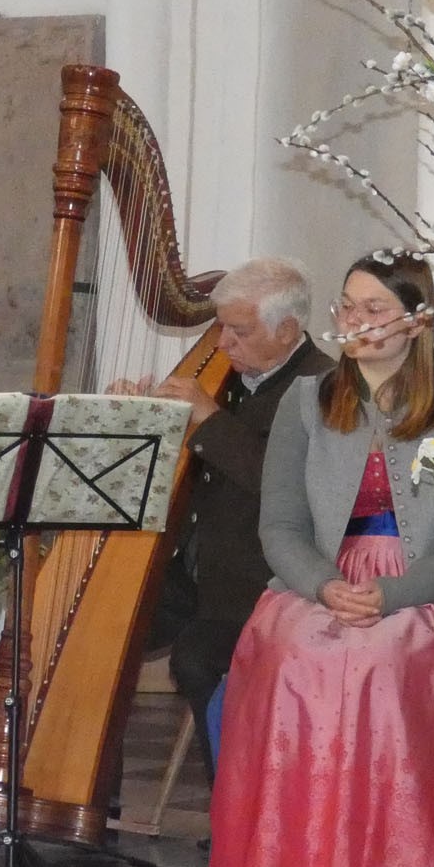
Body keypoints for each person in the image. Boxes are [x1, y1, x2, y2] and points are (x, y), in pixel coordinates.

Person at [192, 253, 434, 867]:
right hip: (323, 577)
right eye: (349, 307)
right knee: (289, 651)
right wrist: (321, 584)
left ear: (417, 319)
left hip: (430, 588)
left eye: (375, 309)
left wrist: (394, 592)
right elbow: (279, 523)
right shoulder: (306, 402)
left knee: (388, 658)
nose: (358, 322)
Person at [143, 257, 334, 785]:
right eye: (222, 326)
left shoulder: (322, 388)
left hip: (259, 584)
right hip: (198, 569)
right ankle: (83, 800)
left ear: (288, 330)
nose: (224, 342)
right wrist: (137, 413)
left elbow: (288, 485)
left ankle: (238, 809)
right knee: (97, 636)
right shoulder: (228, 375)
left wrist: (210, 421)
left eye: (240, 330)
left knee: (197, 660)